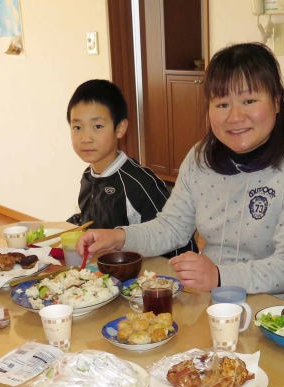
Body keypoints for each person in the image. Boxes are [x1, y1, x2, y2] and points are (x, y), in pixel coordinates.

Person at [77, 43, 284, 295]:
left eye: (249, 100)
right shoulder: (201, 158)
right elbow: (172, 227)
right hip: (207, 300)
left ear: (276, 102)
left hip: (274, 310)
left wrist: (219, 277)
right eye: (222, 104)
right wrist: (119, 238)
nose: (235, 117)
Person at [65, 79, 196, 258]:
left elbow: (175, 238)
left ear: (120, 128)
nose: (85, 138)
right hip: (101, 268)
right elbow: (91, 224)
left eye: (97, 126)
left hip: (148, 270)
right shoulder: (88, 176)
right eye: (77, 127)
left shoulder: (140, 183)